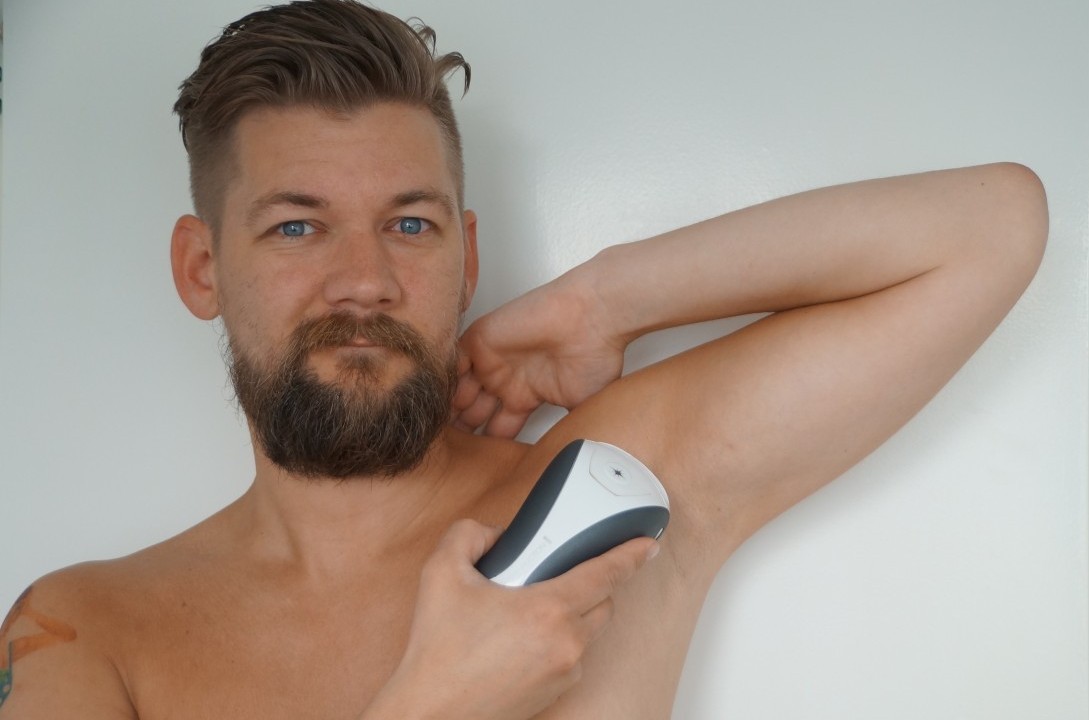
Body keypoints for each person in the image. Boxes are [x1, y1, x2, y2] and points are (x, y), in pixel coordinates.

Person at [0, 1, 1047, 718]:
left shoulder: (604, 502)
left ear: (467, 260)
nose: (364, 280)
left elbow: (988, 228)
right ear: (202, 270)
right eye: (297, 227)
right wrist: (436, 704)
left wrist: (609, 299)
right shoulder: (87, 627)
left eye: (409, 226)